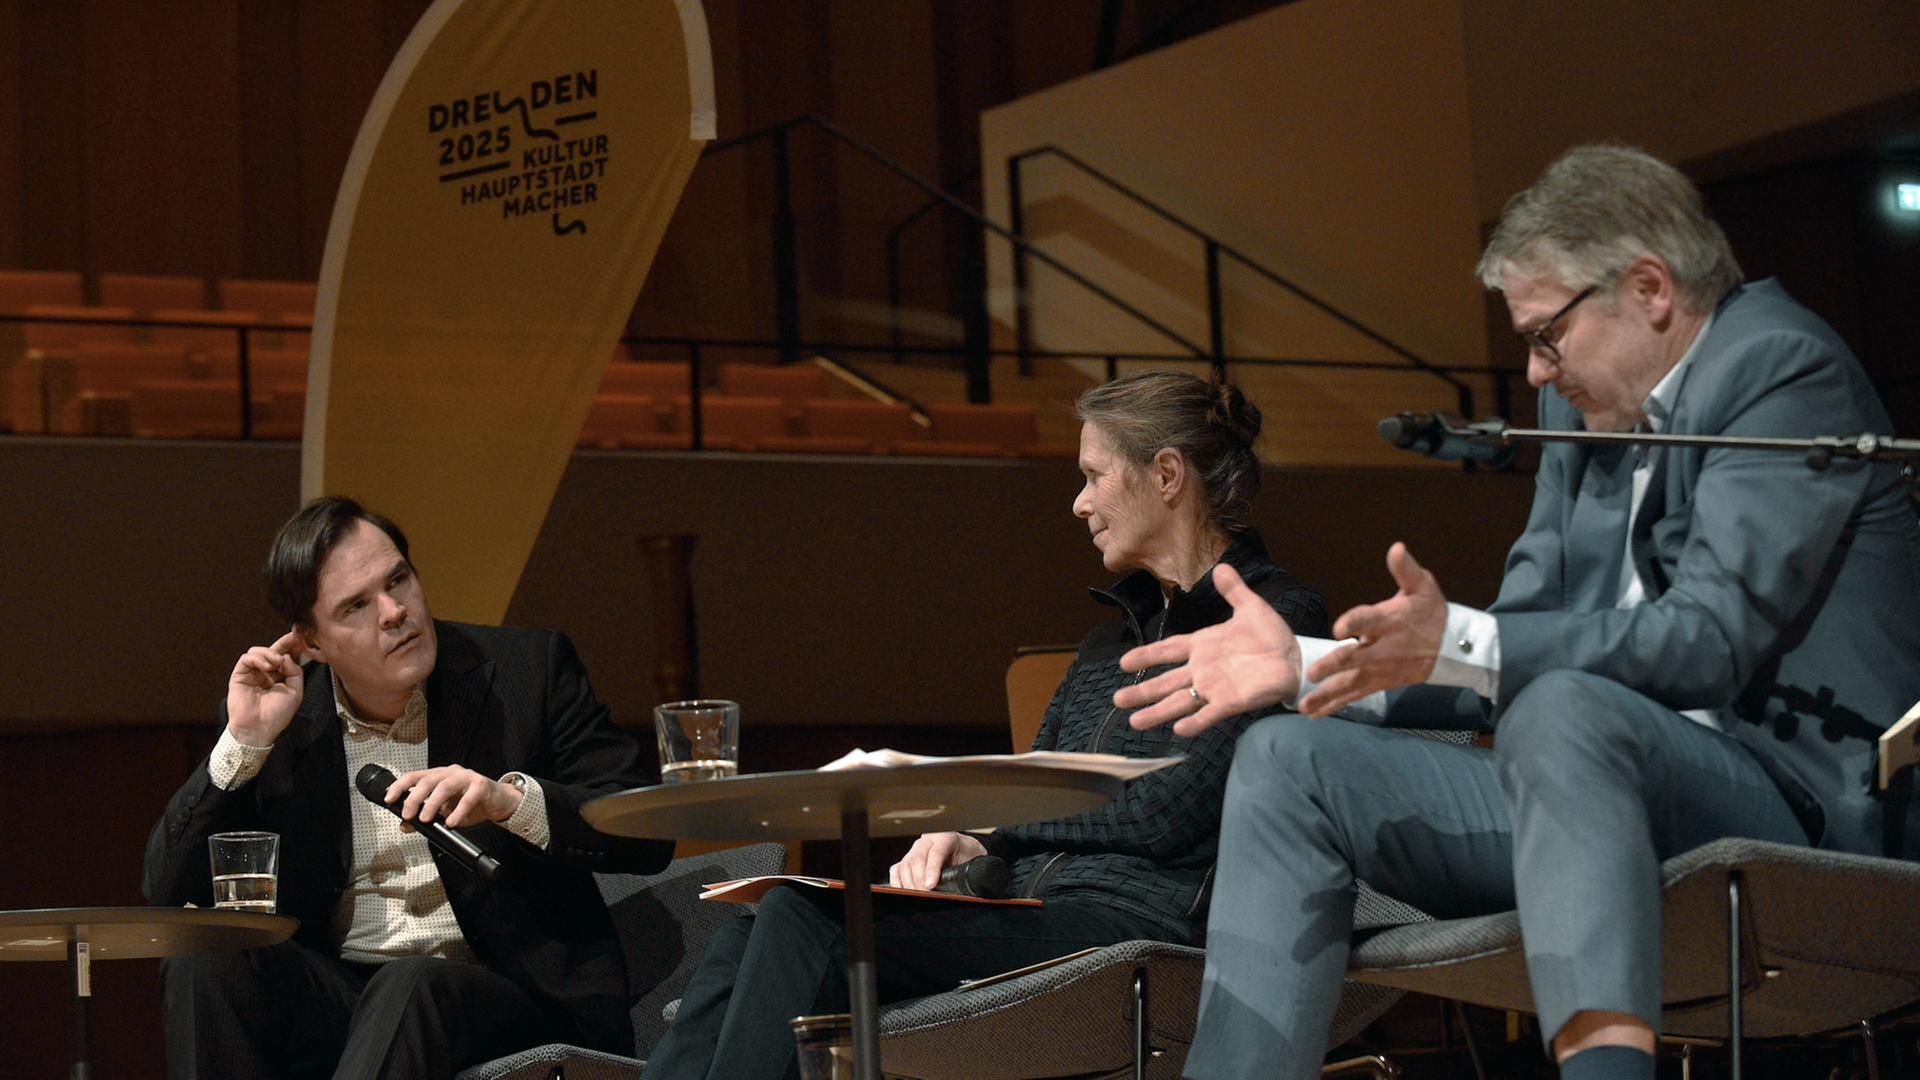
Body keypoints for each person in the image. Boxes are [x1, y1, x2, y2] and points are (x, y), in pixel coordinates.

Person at [1117, 144, 1920, 1080]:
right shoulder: (1584, 416)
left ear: (1650, 289)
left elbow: (1707, 641)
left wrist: (1468, 642)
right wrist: (1310, 666)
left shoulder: (1777, 366)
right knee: (1287, 758)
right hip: (1578, 789)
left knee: (1562, 706)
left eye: (1547, 336)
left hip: (1791, 810)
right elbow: (1514, 637)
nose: (1536, 373)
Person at [641, 370, 1329, 1080]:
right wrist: (979, 836)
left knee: (801, 918)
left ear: (1166, 474)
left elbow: (1166, 814)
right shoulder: (1106, 643)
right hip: (1036, 910)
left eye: (1093, 476)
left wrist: (1005, 817)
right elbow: (1037, 783)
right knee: (745, 937)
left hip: (1142, 933)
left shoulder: (1277, 620)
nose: (1079, 502)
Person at [143, 496, 675, 1079]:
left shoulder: (529, 669)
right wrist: (244, 742)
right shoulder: (284, 717)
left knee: (413, 983)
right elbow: (166, 889)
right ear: (312, 643)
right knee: (206, 959)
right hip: (345, 997)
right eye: (356, 606)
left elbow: (646, 834)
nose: (394, 612)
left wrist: (510, 803)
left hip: (504, 993)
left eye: (398, 580)